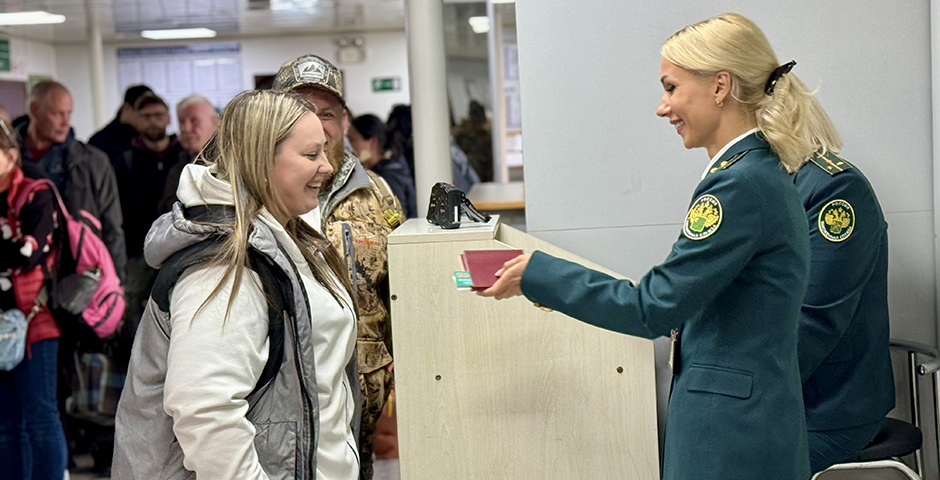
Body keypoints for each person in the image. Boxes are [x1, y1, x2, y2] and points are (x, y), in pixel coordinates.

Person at [481, 13, 828, 479]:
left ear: (720, 86)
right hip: (748, 421)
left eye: (670, 87)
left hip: (730, 436)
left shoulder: (738, 186)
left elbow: (652, 307)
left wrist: (537, 274)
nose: (662, 107)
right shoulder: (758, 172)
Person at [113, 89, 361, 479]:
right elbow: (206, 412)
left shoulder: (286, 236)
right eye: (311, 155)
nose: (327, 167)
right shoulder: (223, 266)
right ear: (261, 162)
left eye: (325, 152)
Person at [275, 54, 403, 480]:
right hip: (286, 390)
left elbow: (400, 290)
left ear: (344, 120)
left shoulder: (378, 194)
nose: (317, 124)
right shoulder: (260, 197)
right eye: (302, 111)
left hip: (366, 396)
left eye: (327, 113)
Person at [791, 119, 894, 469]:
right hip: (786, 396)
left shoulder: (834, 190)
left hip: (830, 408)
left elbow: (814, 321)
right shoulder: (760, 185)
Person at [0, 118, 67, 479]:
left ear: (11, 156)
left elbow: (28, 252)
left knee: (40, 418)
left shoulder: (36, 193)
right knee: (6, 427)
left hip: (34, 323)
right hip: (1, 326)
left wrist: (14, 249)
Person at [15, 81, 126, 282]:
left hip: (80, 275)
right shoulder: (9, 160)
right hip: (23, 272)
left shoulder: (93, 161)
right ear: (34, 110)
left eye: (69, 113)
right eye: (58, 114)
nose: (66, 122)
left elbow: (112, 228)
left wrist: (117, 281)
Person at [159, 95, 221, 213]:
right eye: (181, 122)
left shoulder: (229, 163)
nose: (186, 129)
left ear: (215, 123)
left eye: (194, 121)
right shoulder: (177, 163)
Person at [348, 114, 417, 218]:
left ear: (372, 142)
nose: (350, 147)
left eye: (353, 140)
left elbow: (397, 214)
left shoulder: (386, 176)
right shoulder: (394, 167)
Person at [88, 84, 153, 167]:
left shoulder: (148, 138)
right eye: (142, 111)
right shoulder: (101, 141)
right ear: (127, 107)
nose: (150, 119)